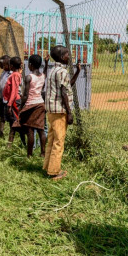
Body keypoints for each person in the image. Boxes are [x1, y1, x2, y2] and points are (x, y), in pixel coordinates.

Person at [43, 46, 82, 180]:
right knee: (59, 142)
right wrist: (69, 113)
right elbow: (64, 92)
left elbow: (67, 85)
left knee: (52, 140)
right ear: (61, 57)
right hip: (60, 111)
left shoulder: (53, 70)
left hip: (51, 110)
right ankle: (54, 171)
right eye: (67, 55)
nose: (69, 57)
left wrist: (77, 72)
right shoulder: (62, 72)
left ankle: (48, 166)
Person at [18, 54, 47, 158]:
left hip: (31, 105)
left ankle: (29, 154)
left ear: (30, 65)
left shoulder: (29, 77)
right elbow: (45, 73)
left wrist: (21, 107)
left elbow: (25, 95)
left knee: (30, 131)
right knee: (41, 130)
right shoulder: (43, 76)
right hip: (40, 104)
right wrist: (46, 63)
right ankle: (43, 152)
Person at [3, 56, 25, 148]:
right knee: (14, 122)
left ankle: (11, 145)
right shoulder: (16, 74)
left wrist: (9, 104)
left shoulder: (15, 75)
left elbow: (14, 90)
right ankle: (21, 143)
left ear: (11, 66)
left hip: (14, 101)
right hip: (13, 101)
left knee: (15, 122)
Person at [0, 55, 11, 137]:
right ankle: (1, 132)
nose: (2, 66)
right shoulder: (3, 72)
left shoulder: (12, 74)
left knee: (9, 118)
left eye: (3, 64)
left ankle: (11, 134)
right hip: (1, 98)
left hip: (8, 100)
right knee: (2, 116)